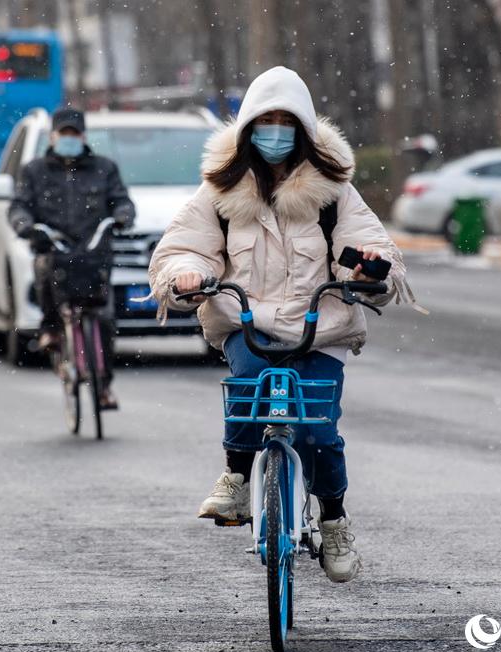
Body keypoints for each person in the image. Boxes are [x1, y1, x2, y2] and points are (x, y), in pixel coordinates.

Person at [147, 67, 418, 583]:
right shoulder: (220, 191)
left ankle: (333, 519)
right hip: (247, 324)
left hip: (321, 328)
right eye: (265, 122)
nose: (275, 132)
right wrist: (188, 275)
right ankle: (236, 473)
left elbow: (367, 245)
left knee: (318, 430)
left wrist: (366, 266)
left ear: (304, 131)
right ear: (248, 129)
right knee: (248, 386)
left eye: (285, 122)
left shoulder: (334, 191)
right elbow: (185, 247)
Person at [10, 108, 136, 410]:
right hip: (54, 251)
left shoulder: (104, 169)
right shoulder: (34, 171)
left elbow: (121, 201)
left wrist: (121, 216)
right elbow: (19, 207)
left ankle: (103, 386)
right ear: (53, 137)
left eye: (74, 134)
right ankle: (51, 329)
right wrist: (25, 225)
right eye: (63, 134)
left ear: (83, 137)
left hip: (93, 255)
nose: (69, 139)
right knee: (44, 272)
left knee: (103, 319)